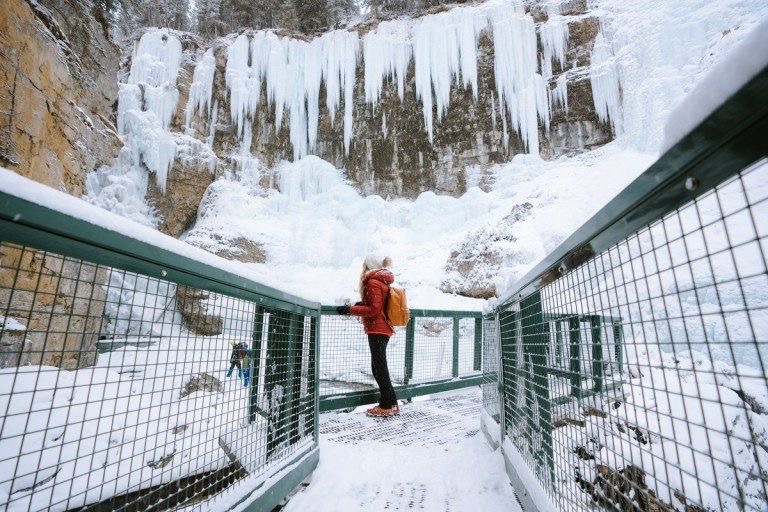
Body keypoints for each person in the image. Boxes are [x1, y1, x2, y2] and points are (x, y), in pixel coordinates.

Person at [337, 251, 399, 417]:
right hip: (383, 327)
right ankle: (392, 403)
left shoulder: (372, 281)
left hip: (377, 328)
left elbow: (374, 309)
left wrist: (350, 309)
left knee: (379, 368)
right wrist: (360, 304)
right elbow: (376, 304)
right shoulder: (382, 280)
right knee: (379, 366)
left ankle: (386, 405)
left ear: (368, 265)